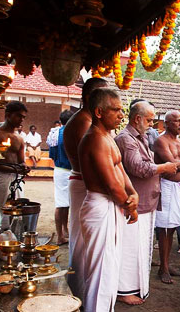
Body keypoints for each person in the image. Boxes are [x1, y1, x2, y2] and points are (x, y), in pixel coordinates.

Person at [78, 88, 139, 312]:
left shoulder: (108, 136)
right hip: (100, 205)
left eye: (122, 110)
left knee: (110, 265)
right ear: (99, 112)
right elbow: (112, 185)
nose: (121, 115)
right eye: (116, 110)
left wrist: (134, 194)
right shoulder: (95, 139)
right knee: (101, 269)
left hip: (110, 205)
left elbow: (120, 169)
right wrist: (129, 206)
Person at [114, 101, 179, 305]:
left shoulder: (140, 137)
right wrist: (164, 168)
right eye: (150, 120)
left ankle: (134, 286)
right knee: (130, 247)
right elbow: (137, 168)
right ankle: (124, 290)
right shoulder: (126, 139)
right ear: (137, 119)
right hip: (135, 204)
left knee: (140, 246)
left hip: (144, 202)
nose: (152, 124)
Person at [63, 77, 108, 298]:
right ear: (89, 97)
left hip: (84, 183)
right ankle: (77, 292)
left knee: (85, 240)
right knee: (81, 242)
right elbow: (90, 162)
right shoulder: (82, 121)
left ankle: (81, 289)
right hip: (83, 184)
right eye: (103, 95)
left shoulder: (88, 119)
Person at [153, 110, 180, 284]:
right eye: (176, 121)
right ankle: (163, 268)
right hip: (166, 187)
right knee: (164, 228)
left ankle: (166, 264)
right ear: (166, 123)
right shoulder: (160, 141)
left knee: (172, 227)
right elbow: (169, 166)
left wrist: (177, 165)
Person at [0, 101, 29, 230]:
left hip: (16, 178)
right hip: (1, 177)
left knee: (17, 212)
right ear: (8, 115)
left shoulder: (19, 138)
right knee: (5, 211)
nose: (21, 120)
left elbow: (21, 161)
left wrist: (24, 167)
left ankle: (13, 242)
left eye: (23, 117)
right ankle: (4, 242)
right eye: (18, 116)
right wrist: (14, 168)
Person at [49, 110, 74, 245]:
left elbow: (52, 154)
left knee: (63, 203)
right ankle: (62, 234)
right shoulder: (73, 133)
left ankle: (63, 232)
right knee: (64, 204)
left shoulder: (54, 133)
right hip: (70, 169)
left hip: (58, 169)